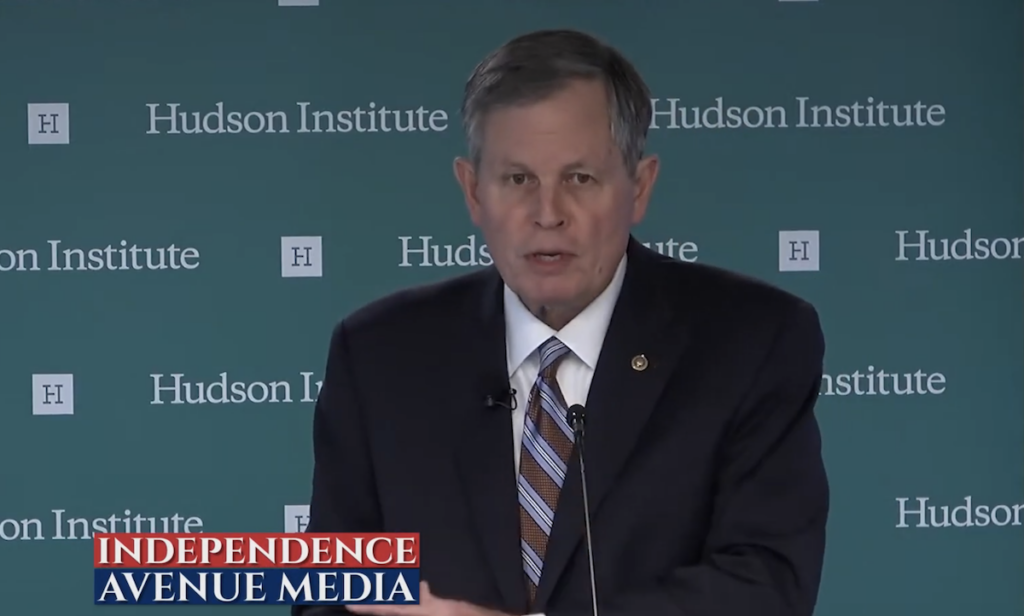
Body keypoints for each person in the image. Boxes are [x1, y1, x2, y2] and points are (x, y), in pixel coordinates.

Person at [294, 28, 829, 616]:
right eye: (518, 179)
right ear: (473, 193)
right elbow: (327, 593)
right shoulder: (380, 354)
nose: (548, 214)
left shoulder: (751, 341)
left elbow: (766, 586)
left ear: (639, 187)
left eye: (579, 178)